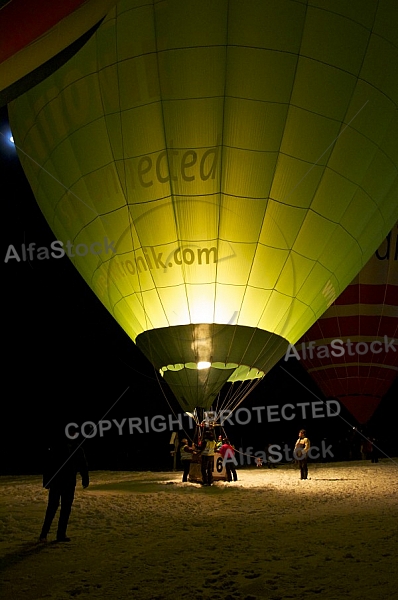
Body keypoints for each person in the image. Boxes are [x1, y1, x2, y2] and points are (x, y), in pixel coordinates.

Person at [39, 437, 89, 542]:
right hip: (57, 482)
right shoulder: (57, 447)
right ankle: (44, 534)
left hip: (69, 482)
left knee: (65, 509)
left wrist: (85, 478)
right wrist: (47, 481)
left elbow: (82, 464)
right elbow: (48, 464)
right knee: (52, 508)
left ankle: (60, 534)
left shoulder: (77, 448)